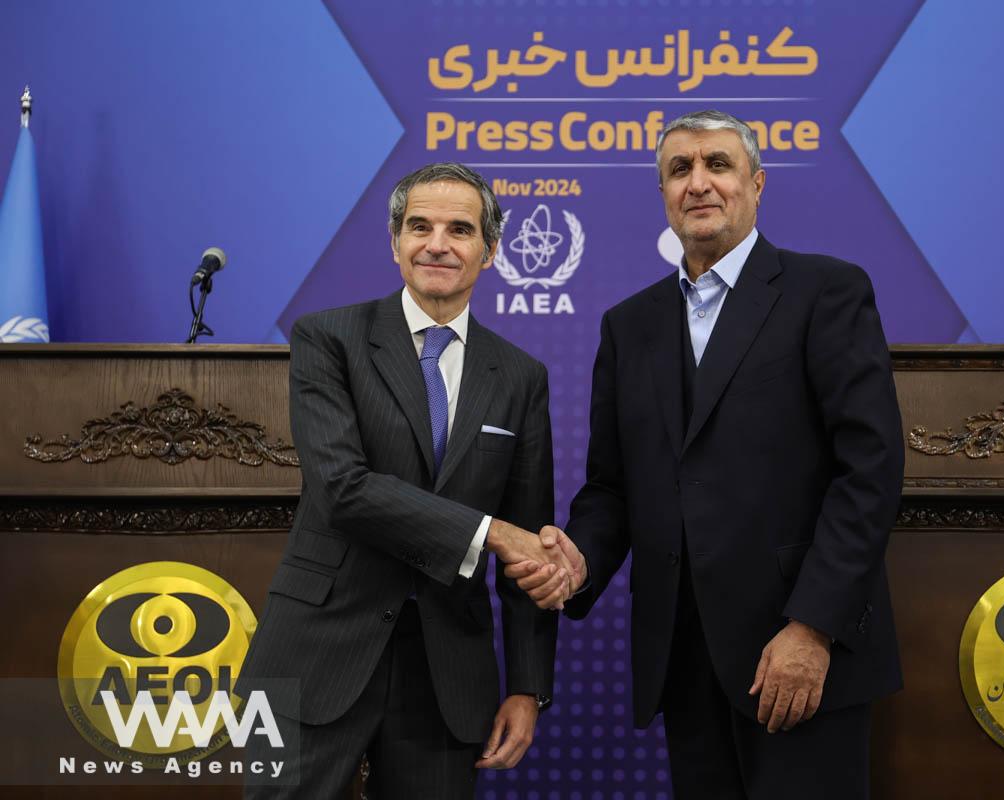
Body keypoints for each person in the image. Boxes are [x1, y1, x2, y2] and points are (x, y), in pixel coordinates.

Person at [509, 110, 905, 799]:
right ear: (663, 193)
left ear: (756, 183)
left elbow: (868, 471)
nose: (699, 183)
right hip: (684, 659)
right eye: (679, 169)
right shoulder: (628, 326)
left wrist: (812, 627)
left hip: (801, 649)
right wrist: (579, 559)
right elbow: (612, 488)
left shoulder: (826, 292)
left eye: (718, 165)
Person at [239, 162, 574, 799]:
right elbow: (343, 488)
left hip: (446, 678)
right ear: (395, 245)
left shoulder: (520, 376)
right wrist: (490, 531)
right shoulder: (328, 339)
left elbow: (530, 546)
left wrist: (529, 687)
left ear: (490, 251)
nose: (438, 244)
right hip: (317, 654)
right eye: (419, 226)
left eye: (460, 229)